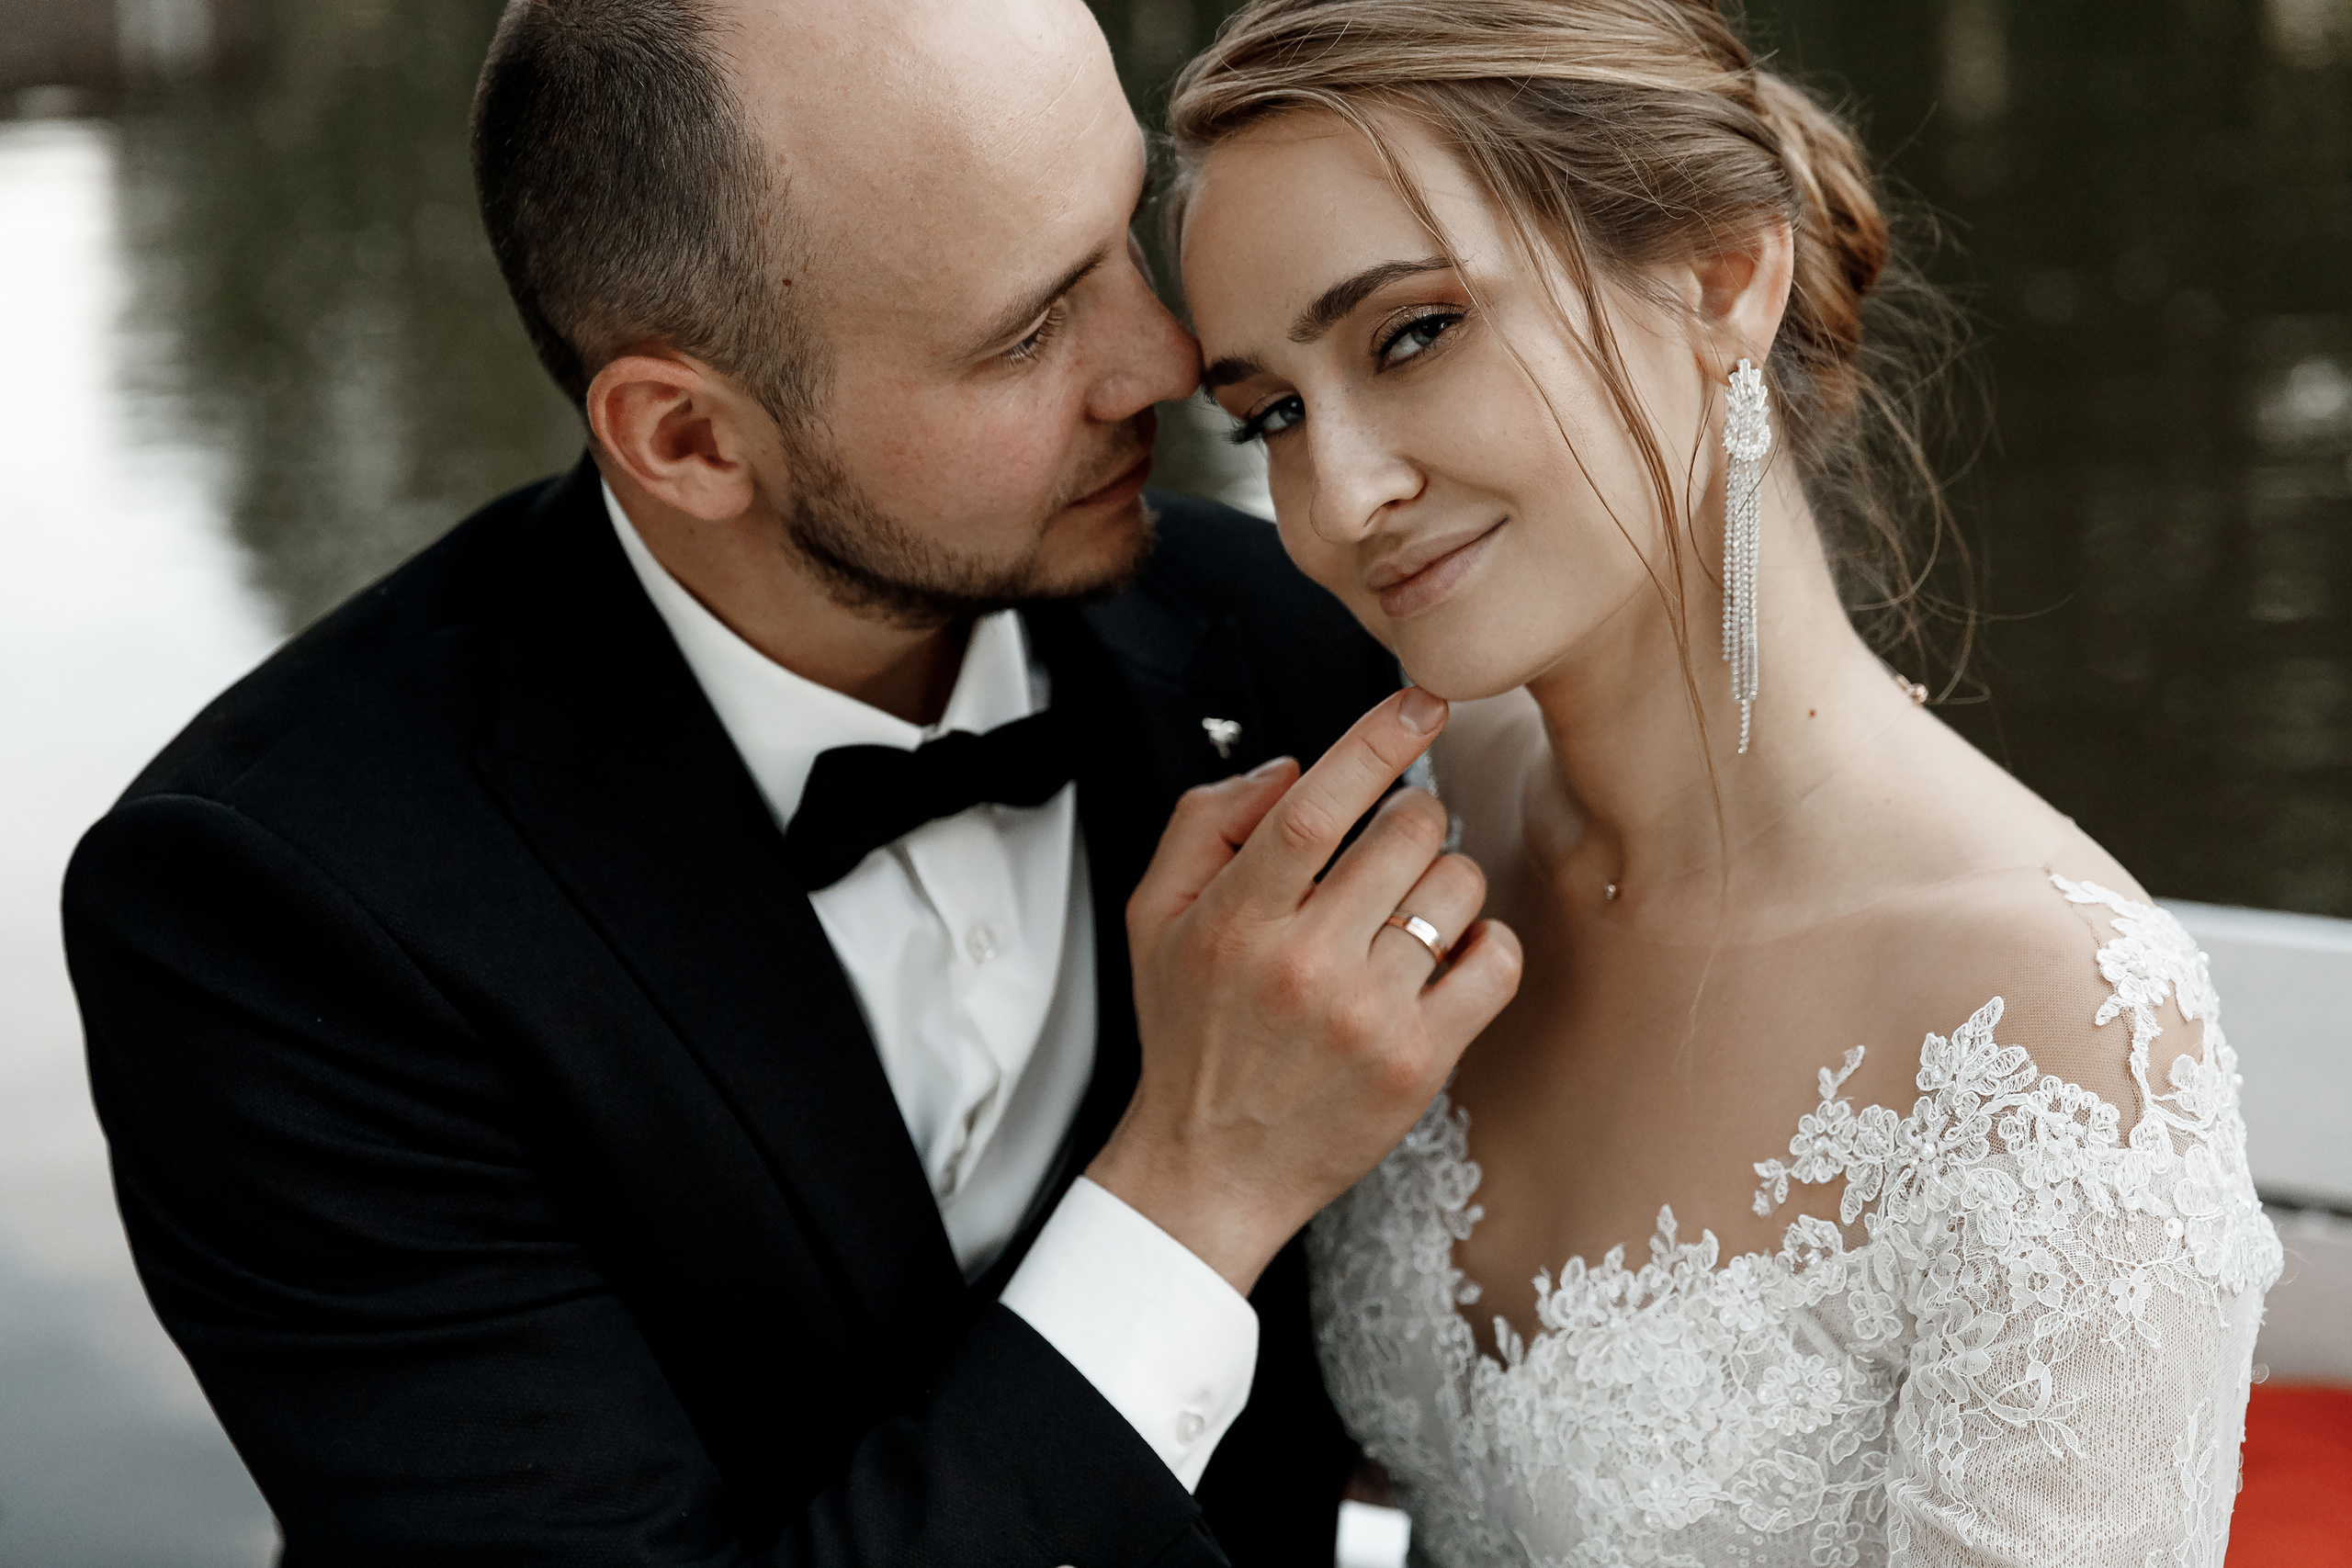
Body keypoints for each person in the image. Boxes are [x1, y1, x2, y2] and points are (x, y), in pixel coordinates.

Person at [60, 1, 1524, 1562]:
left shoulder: (1321, 648)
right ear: (688, 436)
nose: (1161, 359)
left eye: (1121, 233)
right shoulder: (274, 906)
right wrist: (1196, 1190)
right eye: (1027, 332)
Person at [1167, 1, 2282, 1562]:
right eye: (1271, 414)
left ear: (1718, 277)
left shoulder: (2050, 1031)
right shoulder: (1414, 835)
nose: (1340, 497)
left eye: (1413, 333)